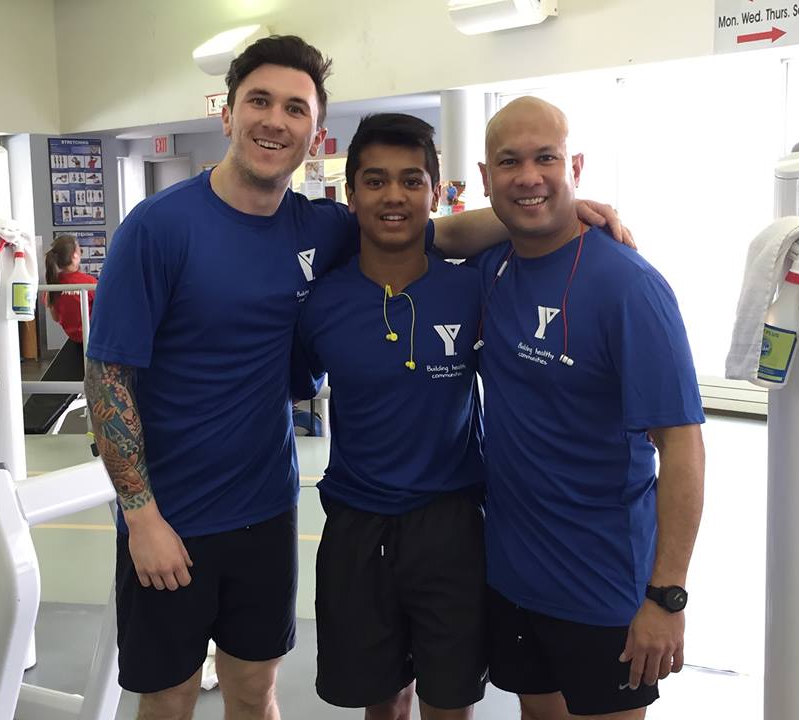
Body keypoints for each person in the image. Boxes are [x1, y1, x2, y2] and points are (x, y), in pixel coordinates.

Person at [84, 35, 626, 720]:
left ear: (315, 135)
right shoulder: (158, 228)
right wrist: (141, 516)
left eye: (294, 108)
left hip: (265, 508)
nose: (274, 120)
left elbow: (430, 230)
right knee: (170, 696)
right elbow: (106, 376)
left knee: (254, 687)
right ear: (227, 112)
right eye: (259, 101)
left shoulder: (320, 228)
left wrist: (558, 210)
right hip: (171, 513)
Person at [473, 97, 705, 720]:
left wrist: (666, 597)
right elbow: (425, 230)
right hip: (515, 578)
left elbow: (681, 445)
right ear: (485, 174)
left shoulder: (630, 286)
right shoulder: (492, 268)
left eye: (545, 158)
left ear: (575, 164)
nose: (528, 175)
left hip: (605, 591)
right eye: (509, 162)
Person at [292, 114, 485, 720]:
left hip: (451, 525)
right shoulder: (321, 303)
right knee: (381, 701)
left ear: (436, 191)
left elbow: (530, 221)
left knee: (448, 702)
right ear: (350, 196)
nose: (394, 196)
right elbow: (282, 388)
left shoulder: (473, 290)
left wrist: (577, 207)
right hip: (357, 526)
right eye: (375, 181)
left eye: (411, 180)